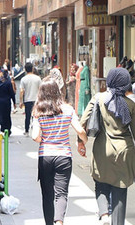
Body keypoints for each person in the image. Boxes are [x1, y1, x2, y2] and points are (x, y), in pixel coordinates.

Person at [79, 68, 135, 225]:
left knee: (101, 182)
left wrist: (80, 142)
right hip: (125, 150)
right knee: (120, 189)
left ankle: (104, 215)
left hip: (102, 149)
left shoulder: (99, 98)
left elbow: (83, 121)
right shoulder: (130, 104)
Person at [31, 77, 87, 225]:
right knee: (61, 193)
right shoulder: (68, 109)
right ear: (57, 92)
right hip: (64, 156)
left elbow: (35, 136)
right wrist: (83, 141)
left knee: (47, 195)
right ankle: (59, 222)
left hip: (45, 157)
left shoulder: (38, 111)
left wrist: (45, 138)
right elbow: (80, 130)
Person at [20, 62, 41, 136]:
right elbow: (40, 89)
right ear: (32, 68)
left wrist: (21, 101)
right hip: (36, 99)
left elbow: (22, 91)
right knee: (36, 115)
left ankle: (26, 131)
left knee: (27, 116)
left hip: (27, 99)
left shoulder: (23, 79)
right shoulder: (38, 78)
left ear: (25, 70)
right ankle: (36, 130)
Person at [0, 70, 16, 135]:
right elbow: (12, 93)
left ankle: (0, 128)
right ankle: (7, 130)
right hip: (6, 101)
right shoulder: (8, 82)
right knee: (6, 116)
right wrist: (14, 102)